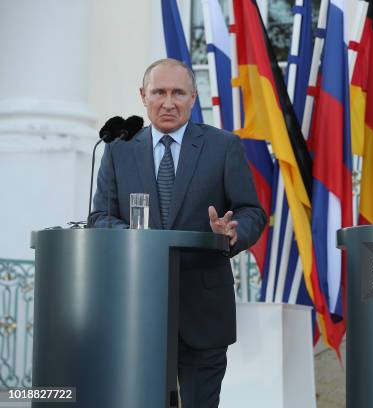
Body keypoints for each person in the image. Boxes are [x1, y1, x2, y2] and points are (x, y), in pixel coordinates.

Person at [90, 58, 266, 408]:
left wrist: (232, 232)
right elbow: (100, 217)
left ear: (193, 97)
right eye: (159, 92)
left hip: (203, 310)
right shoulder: (118, 149)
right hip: (138, 309)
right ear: (143, 95)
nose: (168, 102)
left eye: (178, 93)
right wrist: (135, 237)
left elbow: (252, 211)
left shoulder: (223, 146)